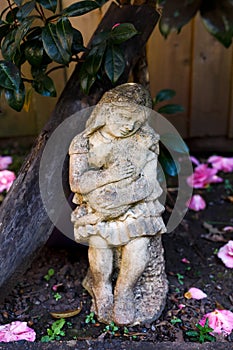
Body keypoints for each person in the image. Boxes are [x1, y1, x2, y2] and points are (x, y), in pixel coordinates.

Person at [69, 83, 166, 325]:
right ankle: (101, 287)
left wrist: (123, 199)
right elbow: (77, 182)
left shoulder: (145, 140)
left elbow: (149, 184)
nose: (129, 126)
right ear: (105, 113)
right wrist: (110, 177)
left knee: (138, 245)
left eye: (135, 121)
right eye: (123, 118)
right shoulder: (84, 142)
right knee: (100, 244)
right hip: (98, 206)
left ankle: (124, 291)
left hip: (134, 204)